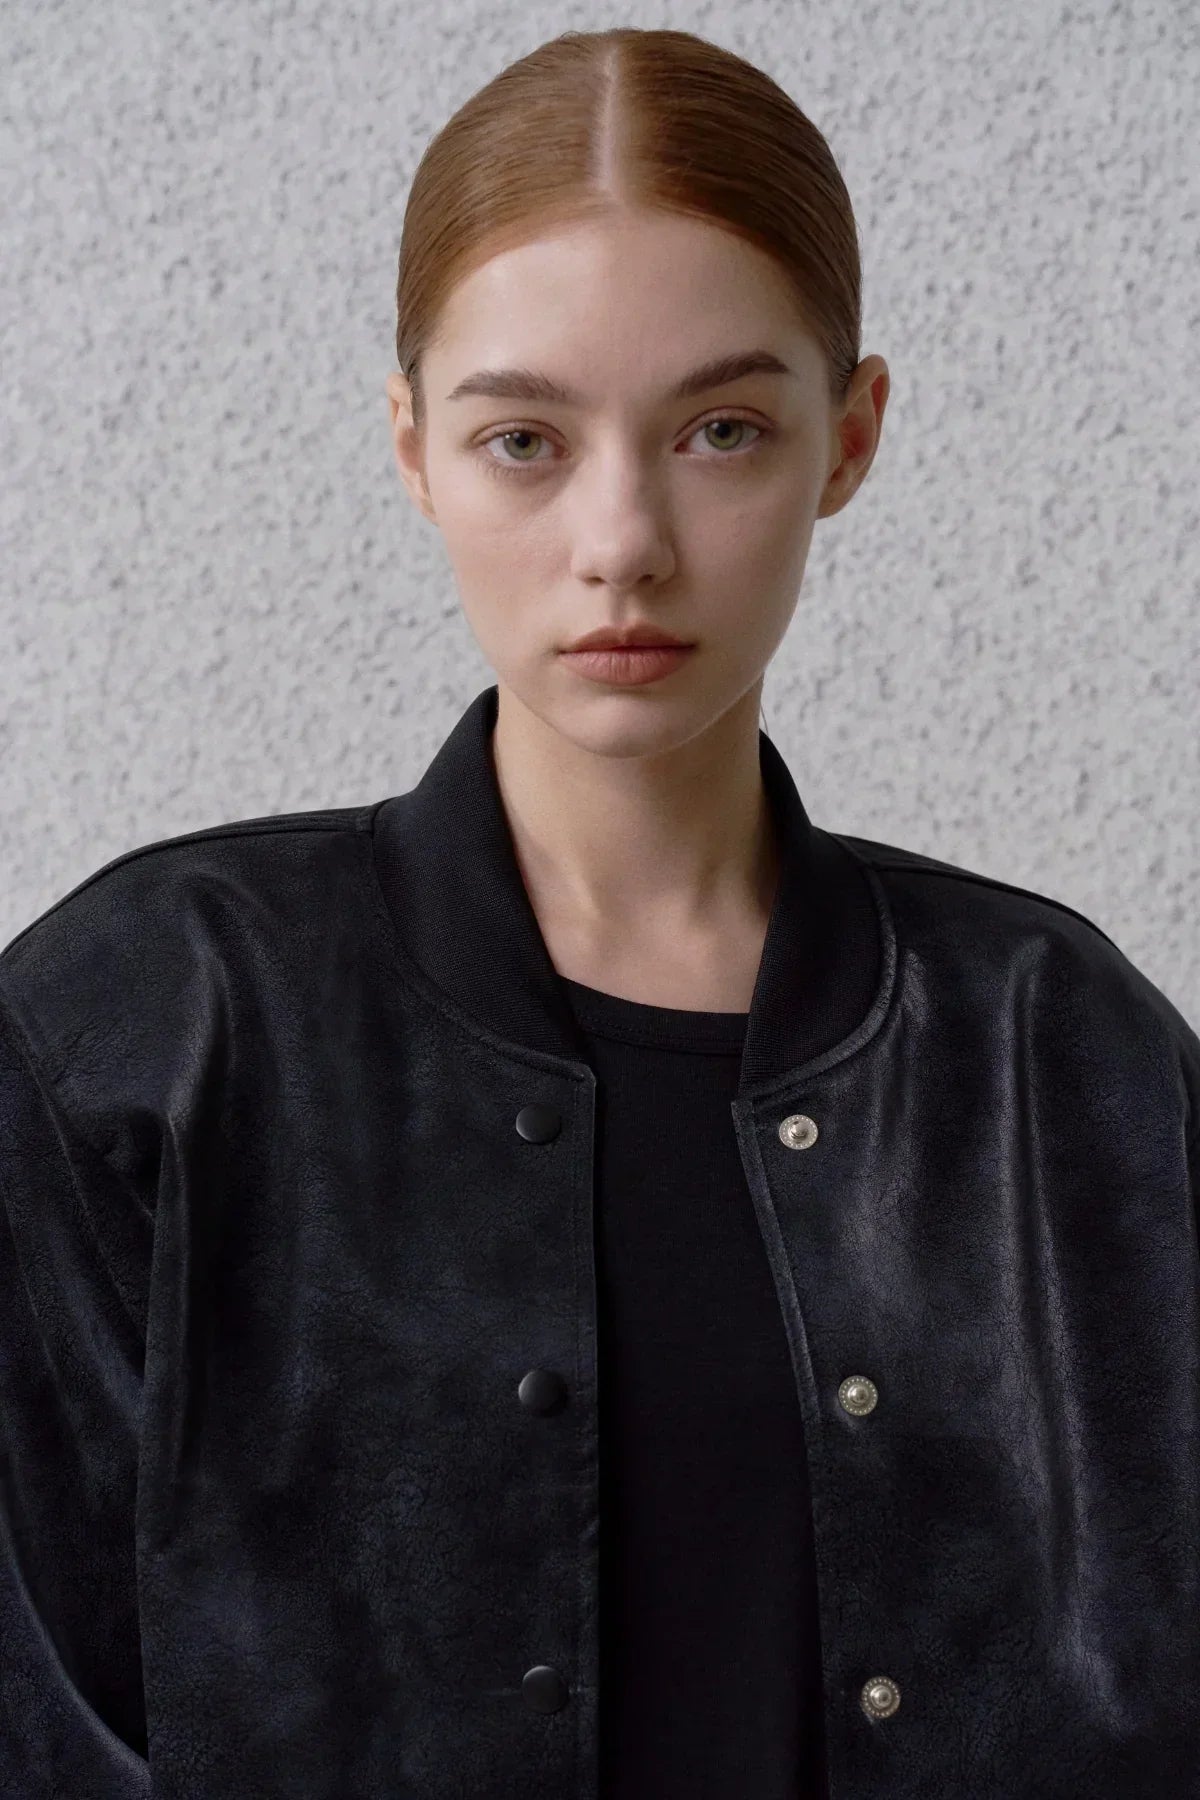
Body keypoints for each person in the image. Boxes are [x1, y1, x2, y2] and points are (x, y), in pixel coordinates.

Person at [2, 25, 1197, 1800]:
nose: (622, 538)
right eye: (524, 440)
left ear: (849, 438)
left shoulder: (1061, 1052)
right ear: (413, 449)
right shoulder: (143, 1026)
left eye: (722, 429)